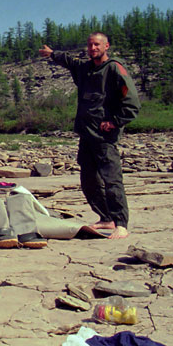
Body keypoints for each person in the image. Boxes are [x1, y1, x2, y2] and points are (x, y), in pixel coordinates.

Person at [40, 33, 140, 239]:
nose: (93, 48)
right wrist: (52, 54)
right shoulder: (85, 69)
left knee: (112, 180)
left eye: (97, 44)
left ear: (106, 46)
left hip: (105, 137)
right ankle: (106, 218)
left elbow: (132, 103)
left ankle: (121, 224)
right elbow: (70, 61)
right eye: (90, 45)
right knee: (88, 180)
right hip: (86, 135)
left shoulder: (114, 68)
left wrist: (114, 122)